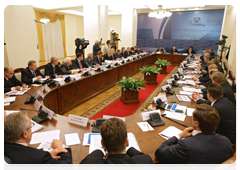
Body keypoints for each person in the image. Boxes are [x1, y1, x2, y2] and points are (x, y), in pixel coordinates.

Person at [155, 104, 233, 170]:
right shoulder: (226, 141)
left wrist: (178, 136)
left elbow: (159, 153)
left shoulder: (187, 145)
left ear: (196, 123)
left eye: (192, 117)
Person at [4, 111, 73, 170]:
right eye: (31, 126)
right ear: (25, 134)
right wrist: (61, 147)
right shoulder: (38, 157)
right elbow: (67, 167)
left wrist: (48, 155)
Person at [78, 118, 155, 170]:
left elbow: (83, 164)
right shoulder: (145, 162)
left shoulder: (89, 165)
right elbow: (141, 156)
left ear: (102, 143)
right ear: (127, 142)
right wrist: (129, 149)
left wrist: (100, 150)